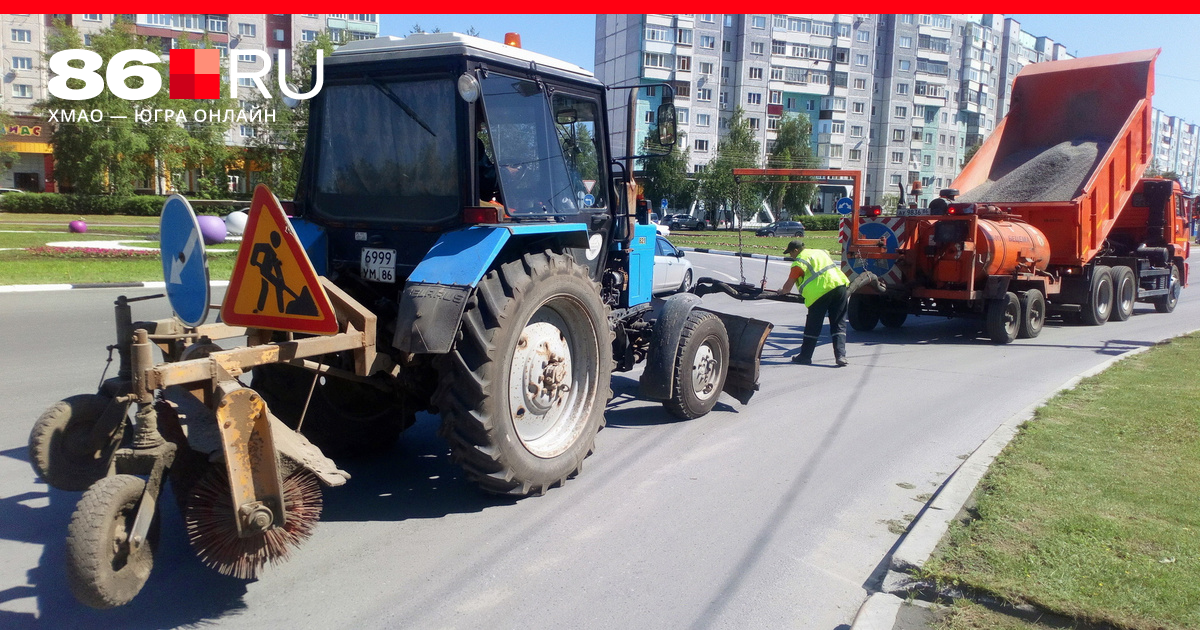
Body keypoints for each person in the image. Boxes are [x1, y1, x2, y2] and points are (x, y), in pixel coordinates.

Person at [777, 239, 851, 366]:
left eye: (790, 253)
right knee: (839, 323)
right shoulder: (820, 252)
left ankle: (805, 356)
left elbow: (787, 287)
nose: (790, 256)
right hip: (840, 287)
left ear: (796, 250)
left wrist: (781, 291)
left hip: (820, 293)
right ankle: (841, 356)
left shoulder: (799, 261)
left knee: (813, 325)